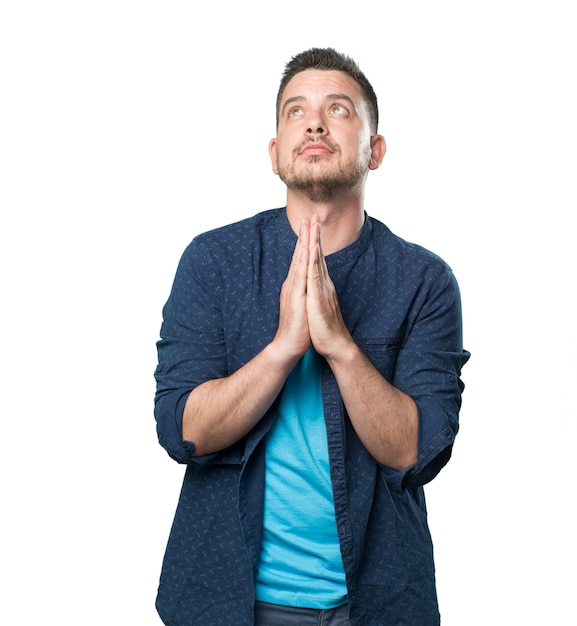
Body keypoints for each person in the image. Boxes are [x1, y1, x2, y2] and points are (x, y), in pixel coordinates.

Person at [154, 47, 470, 626]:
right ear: (275, 153)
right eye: (295, 111)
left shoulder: (423, 281)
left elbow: (413, 451)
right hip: (226, 603)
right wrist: (282, 349)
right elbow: (183, 431)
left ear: (375, 150)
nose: (316, 122)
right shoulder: (214, 262)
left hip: (376, 605)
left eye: (340, 109)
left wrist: (340, 345)